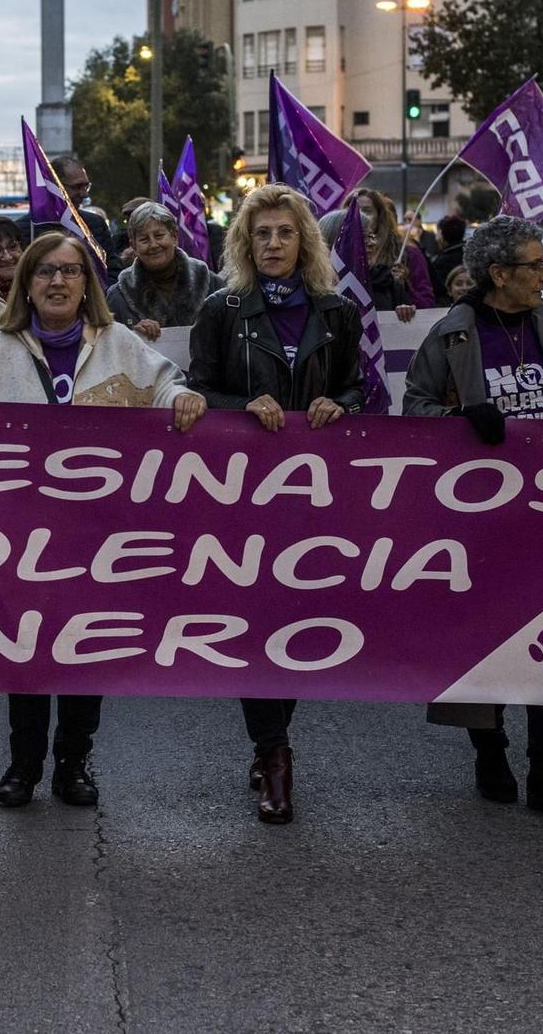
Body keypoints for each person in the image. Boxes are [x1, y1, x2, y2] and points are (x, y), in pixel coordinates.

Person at [0, 232, 204, 808]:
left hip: (99, 533)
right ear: (28, 285)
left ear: (87, 284)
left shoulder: (118, 343)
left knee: (84, 649)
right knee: (26, 648)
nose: (58, 281)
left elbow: (166, 385)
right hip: (23, 536)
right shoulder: (2, 348)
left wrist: (181, 401)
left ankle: (73, 763)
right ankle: (23, 764)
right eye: (45, 271)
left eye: (70, 271)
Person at [401, 215, 543, 818]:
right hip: (479, 515)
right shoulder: (452, 334)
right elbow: (413, 409)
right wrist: (460, 422)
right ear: (498, 273)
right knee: (483, 639)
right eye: (536, 264)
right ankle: (490, 750)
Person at [187, 183, 366, 825]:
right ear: (244, 242)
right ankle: (276, 754)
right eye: (261, 233)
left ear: (304, 241)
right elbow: (198, 391)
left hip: (314, 496)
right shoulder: (221, 309)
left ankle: (270, 744)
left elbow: (357, 388)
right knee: (253, 621)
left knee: (295, 621)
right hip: (241, 496)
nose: (272, 243)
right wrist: (244, 406)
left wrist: (339, 404)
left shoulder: (337, 312)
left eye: (285, 232)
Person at [107, 200, 215, 341]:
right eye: (144, 239)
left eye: (159, 236)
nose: (153, 245)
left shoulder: (211, 284)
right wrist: (131, 335)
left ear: (174, 236)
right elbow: (109, 345)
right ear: (133, 246)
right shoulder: (118, 296)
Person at [50, 155, 118, 270]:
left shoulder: (96, 224)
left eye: (86, 187)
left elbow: (113, 268)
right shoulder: (29, 227)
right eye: (77, 187)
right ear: (55, 186)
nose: (84, 194)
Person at [429, 214, 468, 288]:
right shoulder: (471, 254)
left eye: (437, 233)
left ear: (441, 235)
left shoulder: (440, 262)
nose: (436, 238)